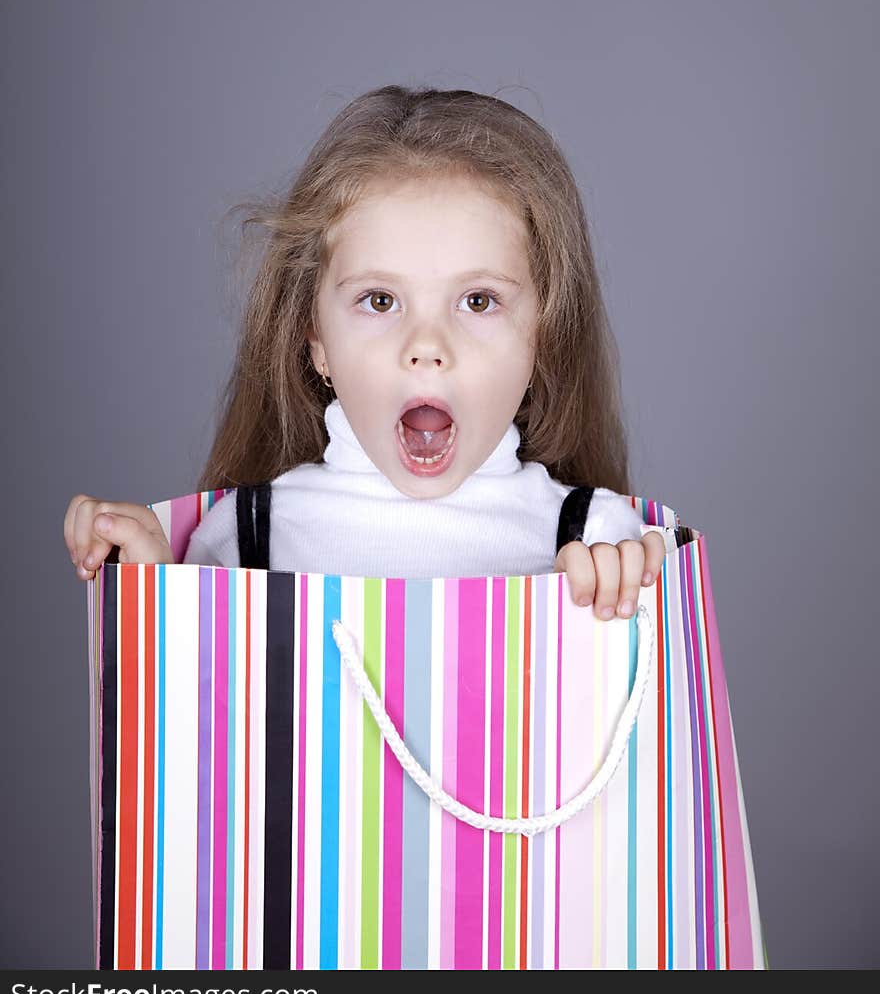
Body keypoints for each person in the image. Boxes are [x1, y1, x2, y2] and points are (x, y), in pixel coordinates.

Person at [63, 86, 666, 619]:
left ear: (544, 335)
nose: (427, 347)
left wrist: (621, 597)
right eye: (380, 301)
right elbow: (194, 721)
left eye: (478, 302)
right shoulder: (245, 540)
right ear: (316, 340)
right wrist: (148, 587)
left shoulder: (599, 537)